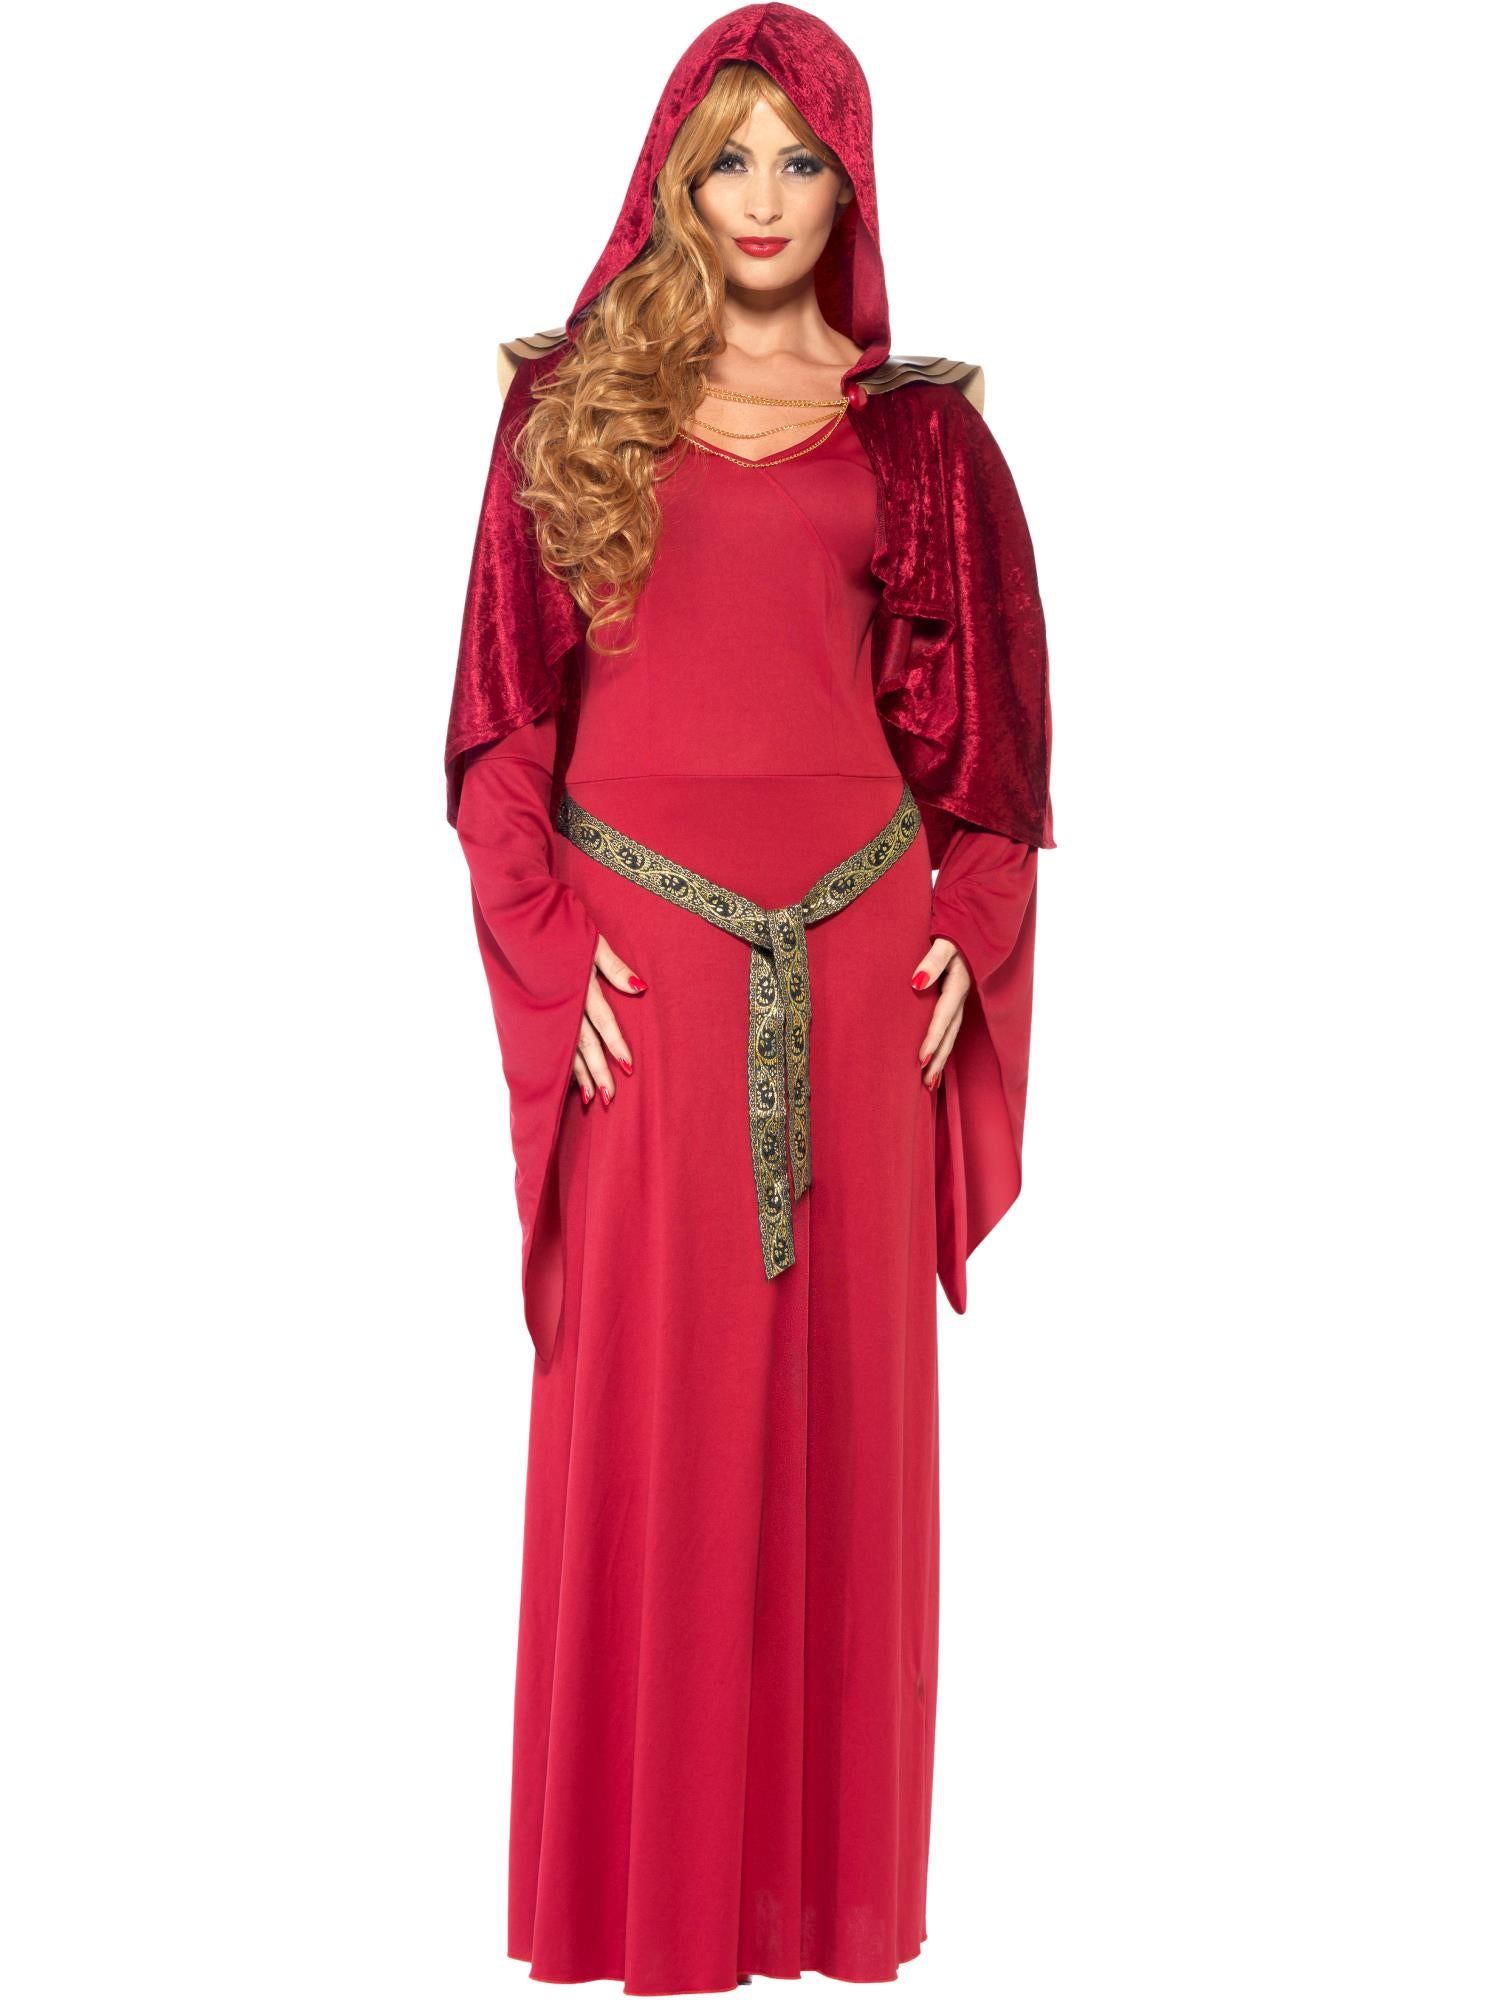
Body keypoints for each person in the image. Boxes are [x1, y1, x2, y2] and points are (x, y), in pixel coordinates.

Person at [443, 7, 1053, 1991]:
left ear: (852, 186)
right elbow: (498, 731)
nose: (766, 198)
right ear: (672, 181)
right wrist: (550, 942)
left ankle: (816, 1897)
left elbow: (991, 752)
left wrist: (969, 914)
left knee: (845, 1427)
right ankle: (650, 1905)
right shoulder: (568, 410)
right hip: (645, 977)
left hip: (866, 975)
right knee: (655, 1407)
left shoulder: (923, 438)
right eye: (729, 159)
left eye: (803, 160)